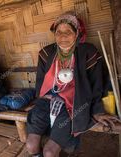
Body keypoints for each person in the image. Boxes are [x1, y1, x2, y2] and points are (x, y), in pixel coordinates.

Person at [26, 11, 120, 157]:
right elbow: (40, 83)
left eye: (68, 31)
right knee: (31, 145)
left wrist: (99, 110)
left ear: (77, 34)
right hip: (46, 103)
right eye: (59, 32)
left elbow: (99, 84)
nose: (63, 36)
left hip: (74, 105)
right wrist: (39, 100)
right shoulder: (46, 53)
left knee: (50, 152)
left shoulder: (88, 53)